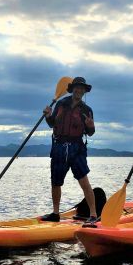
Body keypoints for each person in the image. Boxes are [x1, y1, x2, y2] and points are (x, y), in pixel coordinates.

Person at [40, 76, 98, 223]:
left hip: (77, 148)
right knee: (56, 182)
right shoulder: (60, 104)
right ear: (72, 89)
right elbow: (52, 124)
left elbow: (90, 132)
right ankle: (55, 213)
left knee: (84, 181)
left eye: (82, 88)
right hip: (59, 147)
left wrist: (91, 125)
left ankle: (93, 215)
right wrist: (47, 116)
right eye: (77, 87)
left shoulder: (87, 110)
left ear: (85, 91)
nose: (79, 90)